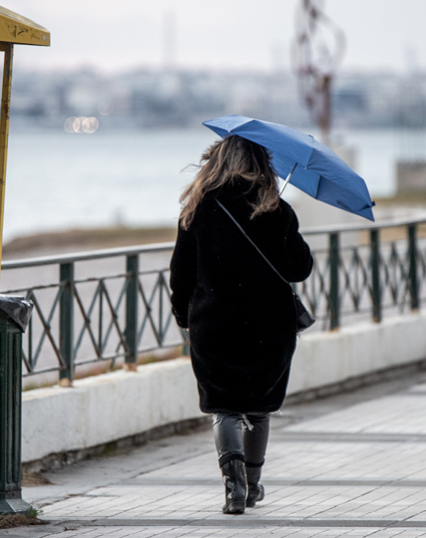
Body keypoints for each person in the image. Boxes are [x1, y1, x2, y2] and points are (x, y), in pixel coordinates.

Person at [169, 134, 313, 514]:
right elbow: (300, 268)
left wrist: (183, 315)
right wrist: (285, 228)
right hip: (270, 326)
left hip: (213, 324)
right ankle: (252, 484)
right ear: (260, 163)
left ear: (217, 161)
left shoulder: (197, 208)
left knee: (225, 407)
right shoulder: (275, 209)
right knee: (259, 407)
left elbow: (180, 273)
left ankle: (232, 486)